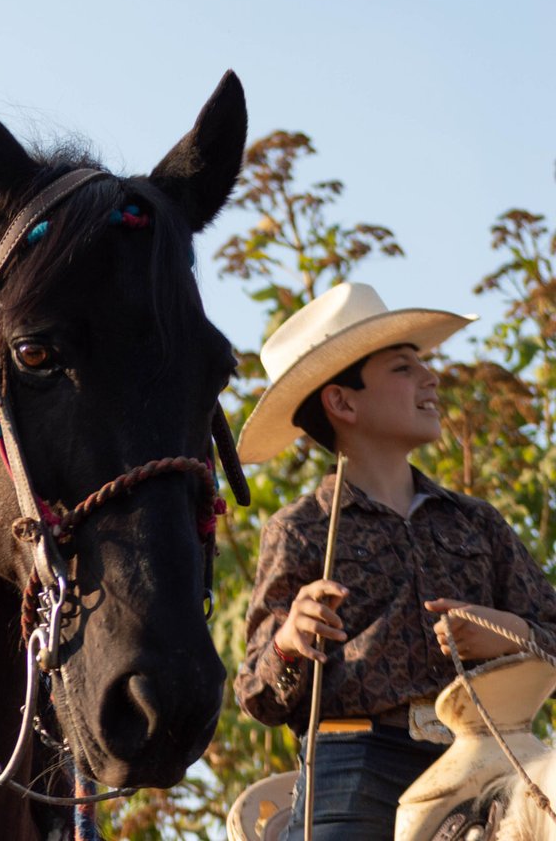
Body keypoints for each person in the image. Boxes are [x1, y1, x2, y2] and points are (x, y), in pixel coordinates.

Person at [234, 282, 556, 838]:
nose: (431, 379)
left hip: (491, 757)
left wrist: (514, 634)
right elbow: (256, 695)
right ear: (342, 402)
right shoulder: (300, 530)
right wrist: (290, 639)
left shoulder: (477, 522)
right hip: (356, 771)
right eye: (404, 369)